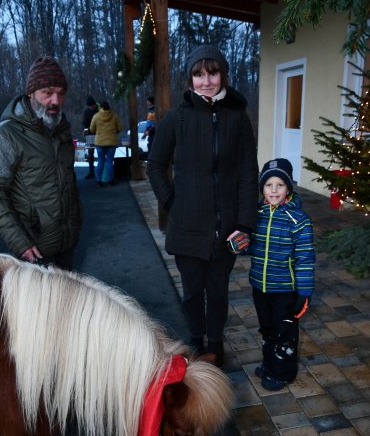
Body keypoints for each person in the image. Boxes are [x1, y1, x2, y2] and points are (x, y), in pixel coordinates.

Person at [147, 44, 259, 366]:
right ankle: (196, 341)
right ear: (190, 79)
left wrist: (244, 223)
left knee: (219, 293)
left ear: (222, 75)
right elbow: (156, 165)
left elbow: (248, 173)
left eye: (212, 73)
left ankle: (216, 343)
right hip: (187, 228)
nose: (206, 81)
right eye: (199, 74)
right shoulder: (176, 118)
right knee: (194, 293)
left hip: (226, 230)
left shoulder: (238, 118)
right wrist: (172, 202)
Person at [0, 56, 81, 270]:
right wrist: (20, 243)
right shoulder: (3, 135)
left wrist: (76, 222)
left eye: (61, 93)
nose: (56, 100)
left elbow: (68, 180)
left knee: (66, 302)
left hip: (67, 242)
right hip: (33, 251)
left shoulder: (61, 130)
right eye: (47, 92)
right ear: (30, 94)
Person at [249, 158, 315, 391]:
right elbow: (251, 245)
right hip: (260, 286)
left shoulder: (298, 221)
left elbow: (305, 260)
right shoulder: (257, 215)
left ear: (288, 188)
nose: (274, 190)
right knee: (267, 328)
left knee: (284, 330)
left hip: (286, 290)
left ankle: (283, 372)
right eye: (269, 185)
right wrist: (239, 244)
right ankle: (270, 363)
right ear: (262, 189)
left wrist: (304, 293)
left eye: (280, 185)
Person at [90, 100, 122, 187]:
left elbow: (92, 129)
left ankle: (99, 181)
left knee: (100, 161)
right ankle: (110, 181)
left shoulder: (96, 116)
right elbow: (119, 128)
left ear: (100, 107)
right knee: (109, 161)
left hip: (99, 142)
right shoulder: (115, 116)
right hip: (111, 142)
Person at [82, 95, 99, 179]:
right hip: (90, 134)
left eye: (92, 106)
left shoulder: (99, 110)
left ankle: (101, 171)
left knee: (101, 152)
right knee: (90, 153)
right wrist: (85, 130)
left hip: (99, 134)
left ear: (94, 104)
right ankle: (91, 171)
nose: (91, 107)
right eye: (89, 106)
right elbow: (84, 123)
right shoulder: (86, 112)